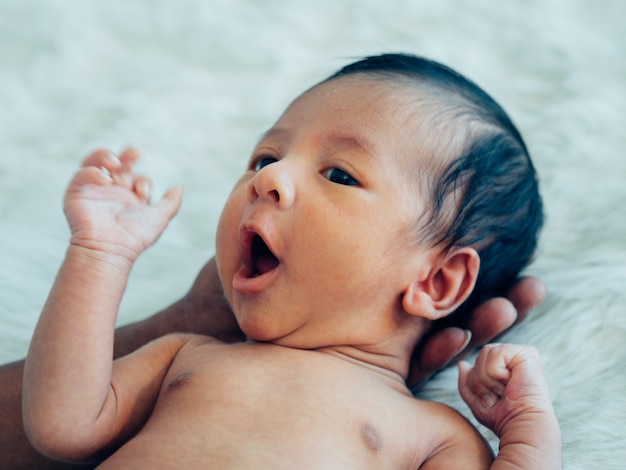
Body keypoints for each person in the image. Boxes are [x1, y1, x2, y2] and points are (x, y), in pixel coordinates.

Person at [20, 53, 559, 468]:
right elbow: (60, 426)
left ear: (437, 281)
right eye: (266, 157)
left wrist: (528, 427)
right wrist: (100, 254)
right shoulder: (182, 357)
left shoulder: (431, 432)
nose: (267, 179)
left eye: (339, 174)